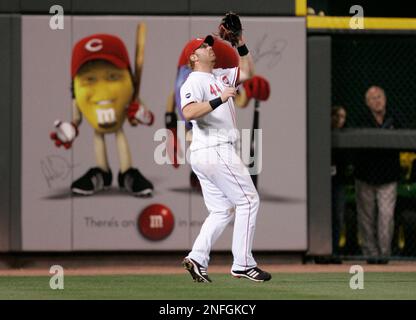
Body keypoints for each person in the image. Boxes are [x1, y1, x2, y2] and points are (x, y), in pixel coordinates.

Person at [180, 16, 271, 283]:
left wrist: (240, 43)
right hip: (214, 147)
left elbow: (246, 72)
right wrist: (219, 98)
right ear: (194, 58)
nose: (210, 47)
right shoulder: (194, 80)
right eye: (203, 47)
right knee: (248, 200)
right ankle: (242, 263)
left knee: (221, 210)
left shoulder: (219, 75)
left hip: (208, 151)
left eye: (209, 44)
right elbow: (189, 112)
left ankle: (197, 257)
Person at [353, 86, 401, 264]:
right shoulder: (361, 119)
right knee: (366, 218)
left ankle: (384, 254)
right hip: (365, 175)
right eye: (373, 98)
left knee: (386, 217)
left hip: (388, 176)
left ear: (385, 98)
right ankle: (370, 255)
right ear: (367, 103)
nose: (377, 100)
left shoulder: (395, 117)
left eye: (380, 96)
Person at [331, 106, 348, 261]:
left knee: (338, 216)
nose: (340, 120)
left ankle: (335, 250)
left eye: (343, 117)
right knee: (326, 215)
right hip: (322, 184)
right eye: (337, 116)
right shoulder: (323, 133)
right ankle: (324, 252)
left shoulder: (346, 135)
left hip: (338, 181)